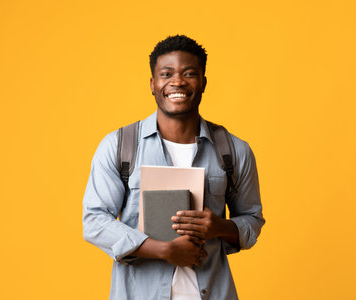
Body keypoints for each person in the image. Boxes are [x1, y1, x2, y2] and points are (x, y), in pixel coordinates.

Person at [83, 35, 265, 300]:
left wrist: (219, 227)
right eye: (166, 73)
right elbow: (94, 221)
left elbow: (252, 219)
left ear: (203, 82)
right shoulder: (120, 146)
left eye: (189, 73)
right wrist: (162, 250)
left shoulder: (234, 151)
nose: (177, 81)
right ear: (153, 84)